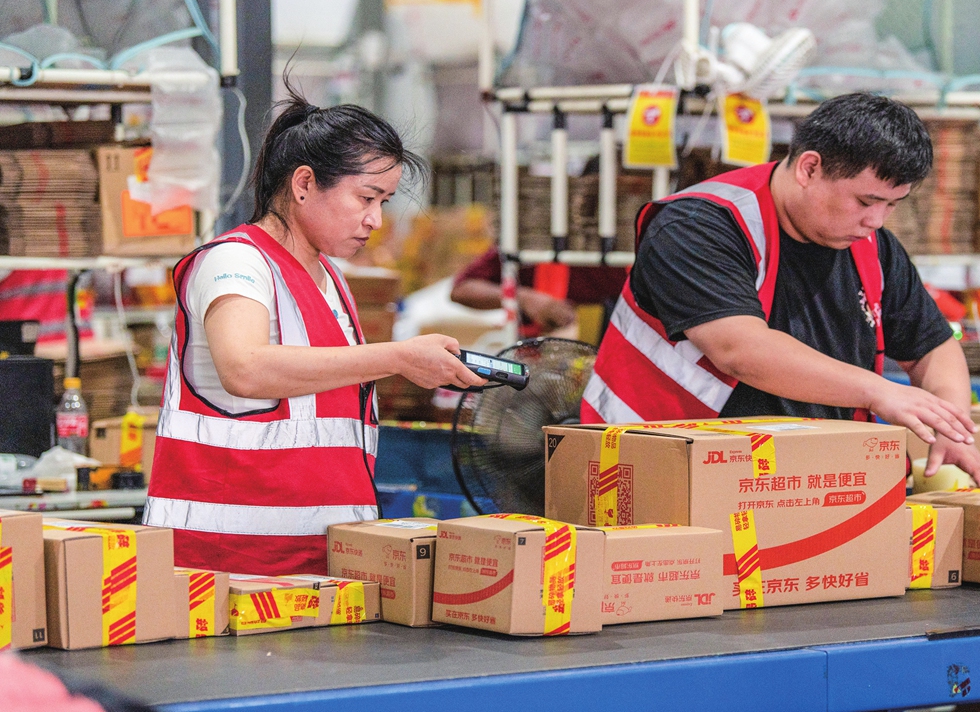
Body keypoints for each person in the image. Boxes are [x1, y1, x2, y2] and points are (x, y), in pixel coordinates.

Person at [144, 82, 486, 575]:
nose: (374, 220)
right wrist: (398, 358)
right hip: (225, 567)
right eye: (366, 197)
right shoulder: (236, 262)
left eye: (384, 202)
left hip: (316, 560)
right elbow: (245, 367)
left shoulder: (330, 280)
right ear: (303, 184)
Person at [582, 92, 980, 489]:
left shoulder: (871, 245)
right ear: (809, 168)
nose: (877, 220)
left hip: (794, 482)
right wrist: (879, 392)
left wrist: (952, 425)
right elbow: (740, 350)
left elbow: (933, 347)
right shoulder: (697, 225)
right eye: (866, 201)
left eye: (892, 205)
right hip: (651, 473)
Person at [449, 246, 628, 337]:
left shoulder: (625, 243)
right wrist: (523, 298)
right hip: (537, 360)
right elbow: (461, 289)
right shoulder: (523, 241)